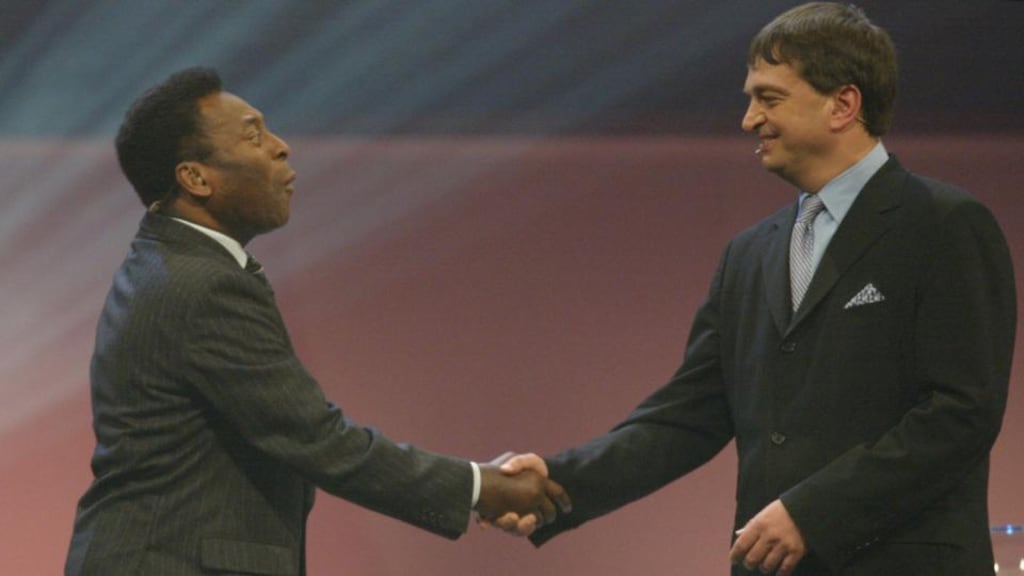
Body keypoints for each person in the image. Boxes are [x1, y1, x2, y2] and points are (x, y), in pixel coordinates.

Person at [496, 3, 1017, 575]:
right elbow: (685, 417)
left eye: (769, 99)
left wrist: (812, 513)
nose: (748, 120)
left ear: (843, 104)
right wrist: (559, 480)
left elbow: (960, 413)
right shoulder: (749, 255)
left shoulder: (944, 225)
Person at [64, 67, 569, 576]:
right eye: (254, 135)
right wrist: (481, 487)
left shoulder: (171, 264)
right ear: (195, 178)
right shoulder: (202, 284)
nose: (281, 147)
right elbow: (318, 441)